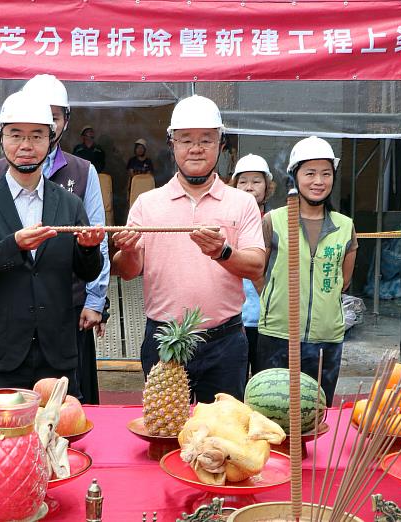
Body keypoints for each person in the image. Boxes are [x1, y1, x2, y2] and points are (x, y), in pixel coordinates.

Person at [112, 95, 265, 403]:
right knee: (165, 432)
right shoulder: (148, 203)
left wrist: (223, 252)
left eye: (206, 140)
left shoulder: (242, 202)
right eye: (186, 140)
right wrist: (127, 251)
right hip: (163, 338)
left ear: (220, 145)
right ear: (172, 145)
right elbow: (128, 271)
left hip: (224, 340)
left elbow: (256, 266)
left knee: (222, 436)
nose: (196, 148)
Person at [0, 91, 104, 393]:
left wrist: (88, 248)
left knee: (60, 435)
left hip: (56, 355)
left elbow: (86, 272)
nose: (25, 146)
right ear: (1, 138)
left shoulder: (69, 203)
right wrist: (13, 245)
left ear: (50, 141)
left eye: (36, 136)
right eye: (15, 135)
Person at [0, 74, 111, 404]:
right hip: (11, 303)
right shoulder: (0, 168)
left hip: (66, 303)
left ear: (64, 122)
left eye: (53, 117)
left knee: (66, 400)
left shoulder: (83, 171)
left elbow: (95, 237)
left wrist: (95, 300)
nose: (46, 125)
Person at [256, 137, 357, 406]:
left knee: (317, 413)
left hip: (326, 338)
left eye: (326, 174)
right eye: (309, 173)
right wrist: (273, 297)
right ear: (294, 176)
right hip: (277, 335)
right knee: (271, 411)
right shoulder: (274, 221)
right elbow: (258, 273)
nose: (318, 181)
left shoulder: (345, 225)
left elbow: (344, 280)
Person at [230, 153, 276, 378]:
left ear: (267, 188)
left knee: (262, 381)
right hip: (232, 318)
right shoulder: (226, 221)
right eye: (243, 181)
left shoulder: (275, 222)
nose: (249, 187)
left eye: (256, 181)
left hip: (264, 318)